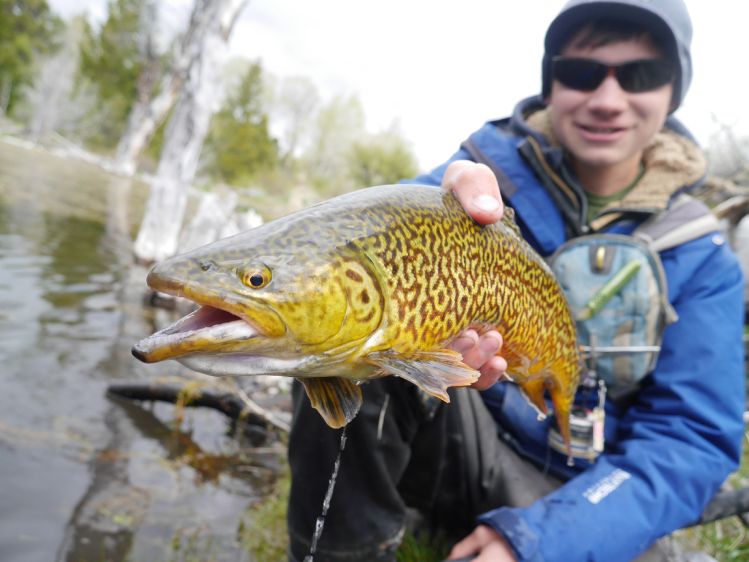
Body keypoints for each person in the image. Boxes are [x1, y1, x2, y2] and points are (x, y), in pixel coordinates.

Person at [286, 1, 746, 560]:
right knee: (345, 340)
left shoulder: (702, 255)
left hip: (592, 490)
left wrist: (540, 540)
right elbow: (354, 249)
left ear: (674, 91)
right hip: (467, 445)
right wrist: (426, 215)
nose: (606, 100)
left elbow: (690, 440)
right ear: (550, 82)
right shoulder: (481, 175)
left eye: (640, 75)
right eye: (580, 72)